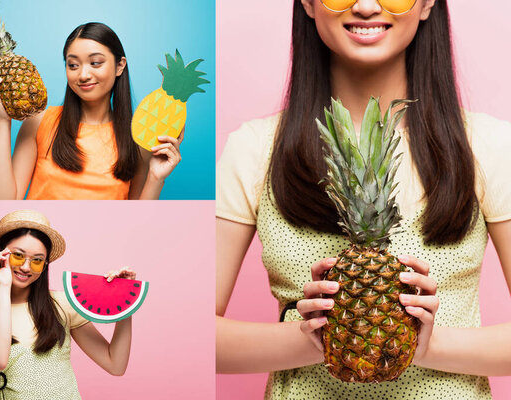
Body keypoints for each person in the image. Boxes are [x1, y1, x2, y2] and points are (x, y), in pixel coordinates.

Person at [216, 1, 511, 399]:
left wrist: (427, 345)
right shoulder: (254, 149)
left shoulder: (489, 146)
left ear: (426, 4)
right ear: (308, 3)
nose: (368, 6)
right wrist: (308, 339)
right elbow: (197, 332)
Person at [0, 22, 181, 200]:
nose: (83, 75)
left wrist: (156, 177)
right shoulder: (39, 121)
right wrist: (2, 120)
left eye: (95, 63)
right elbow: (2, 203)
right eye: (73, 65)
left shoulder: (137, 137)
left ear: (120, 66)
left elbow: (137, 219)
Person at [0, 210, 137, 399]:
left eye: (37, 260)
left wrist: (125, 302)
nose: (26, 267)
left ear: (45, 265)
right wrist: (3, 287)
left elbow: (115, 365)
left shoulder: (62, 304)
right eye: (18, 255)